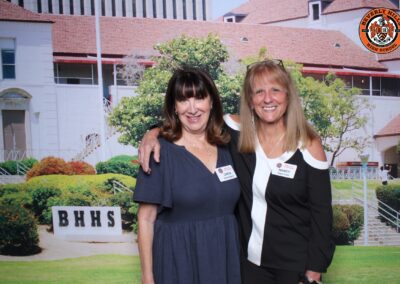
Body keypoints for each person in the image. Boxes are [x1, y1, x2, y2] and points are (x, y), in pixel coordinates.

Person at [139, 60, 335, 284]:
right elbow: (187, 121)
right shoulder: (234, 134)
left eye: (275, 90)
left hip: (295, 265)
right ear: (250, 100)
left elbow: (322, 215)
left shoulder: (308, 145)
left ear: (288, 96)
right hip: (248, 264)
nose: (267, 98)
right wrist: (151, 134)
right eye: (259, 92)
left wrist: (314, 271)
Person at [133, 67, 241, 284]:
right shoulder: (159, 152)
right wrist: (147, 277)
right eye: (183, 100)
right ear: (174, 106)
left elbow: (267, 118)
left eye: (200, 98)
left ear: (212, 102)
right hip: (179, 263)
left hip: (224, 259)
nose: (192, 109)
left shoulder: (229, 145)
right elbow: (145, 219)